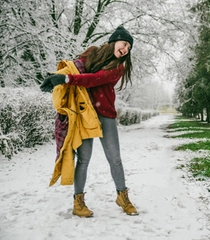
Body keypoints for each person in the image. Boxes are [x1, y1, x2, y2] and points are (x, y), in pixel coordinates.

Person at [40, 26, 138, 217]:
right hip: (84, 114)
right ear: (114, 41)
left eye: (129, 48)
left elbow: (94, 79)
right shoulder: (92, 54)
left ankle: (122, 197)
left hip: (105, 114)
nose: (126, 49)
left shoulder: (118, 67)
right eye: (124, 44)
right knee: (84, 159)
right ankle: (78, 203)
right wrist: (55, 77)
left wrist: (65, 79)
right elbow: (75, 67)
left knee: (114, 159)